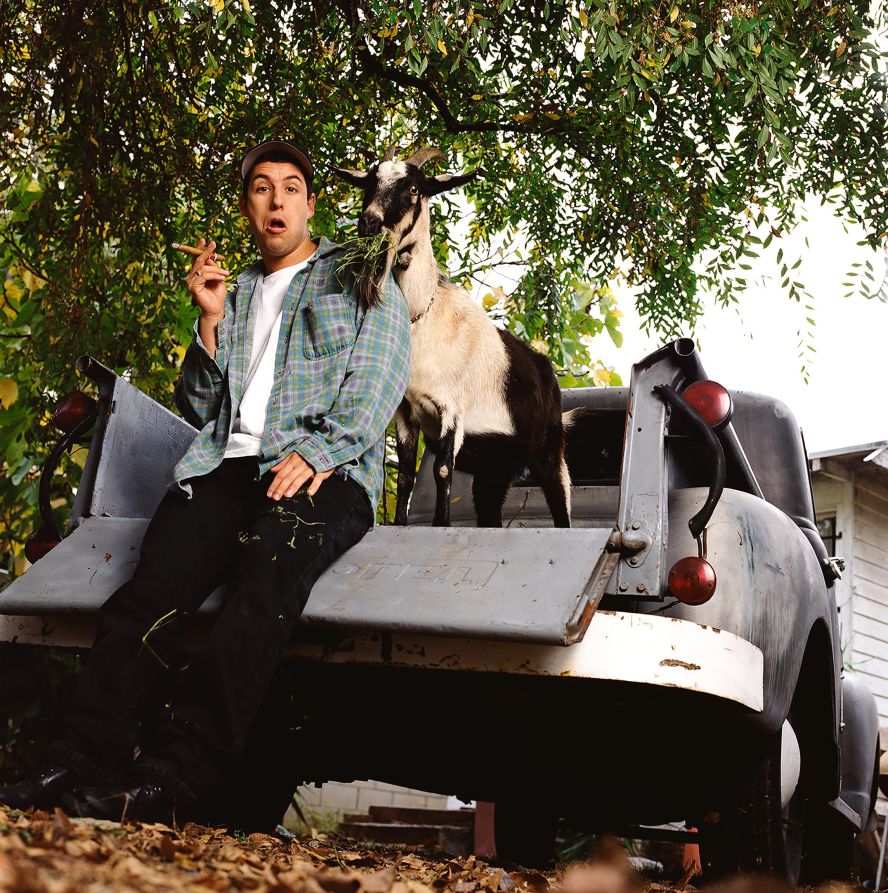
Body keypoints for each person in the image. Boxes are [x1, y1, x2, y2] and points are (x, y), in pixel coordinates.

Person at [0, 139, 412, 825]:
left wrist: (322, 451)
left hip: (323, 473)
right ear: (248, 206)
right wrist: (212, 320)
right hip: (226, 467)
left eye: (289, 187)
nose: (275, 200)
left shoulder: (355, 272)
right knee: (147, 596)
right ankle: (79, 758)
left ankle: (173, 776)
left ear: (312, 204)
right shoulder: (242, 288)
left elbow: (380, 371)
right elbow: (203, 407)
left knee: (261, 590)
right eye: (260, 187)